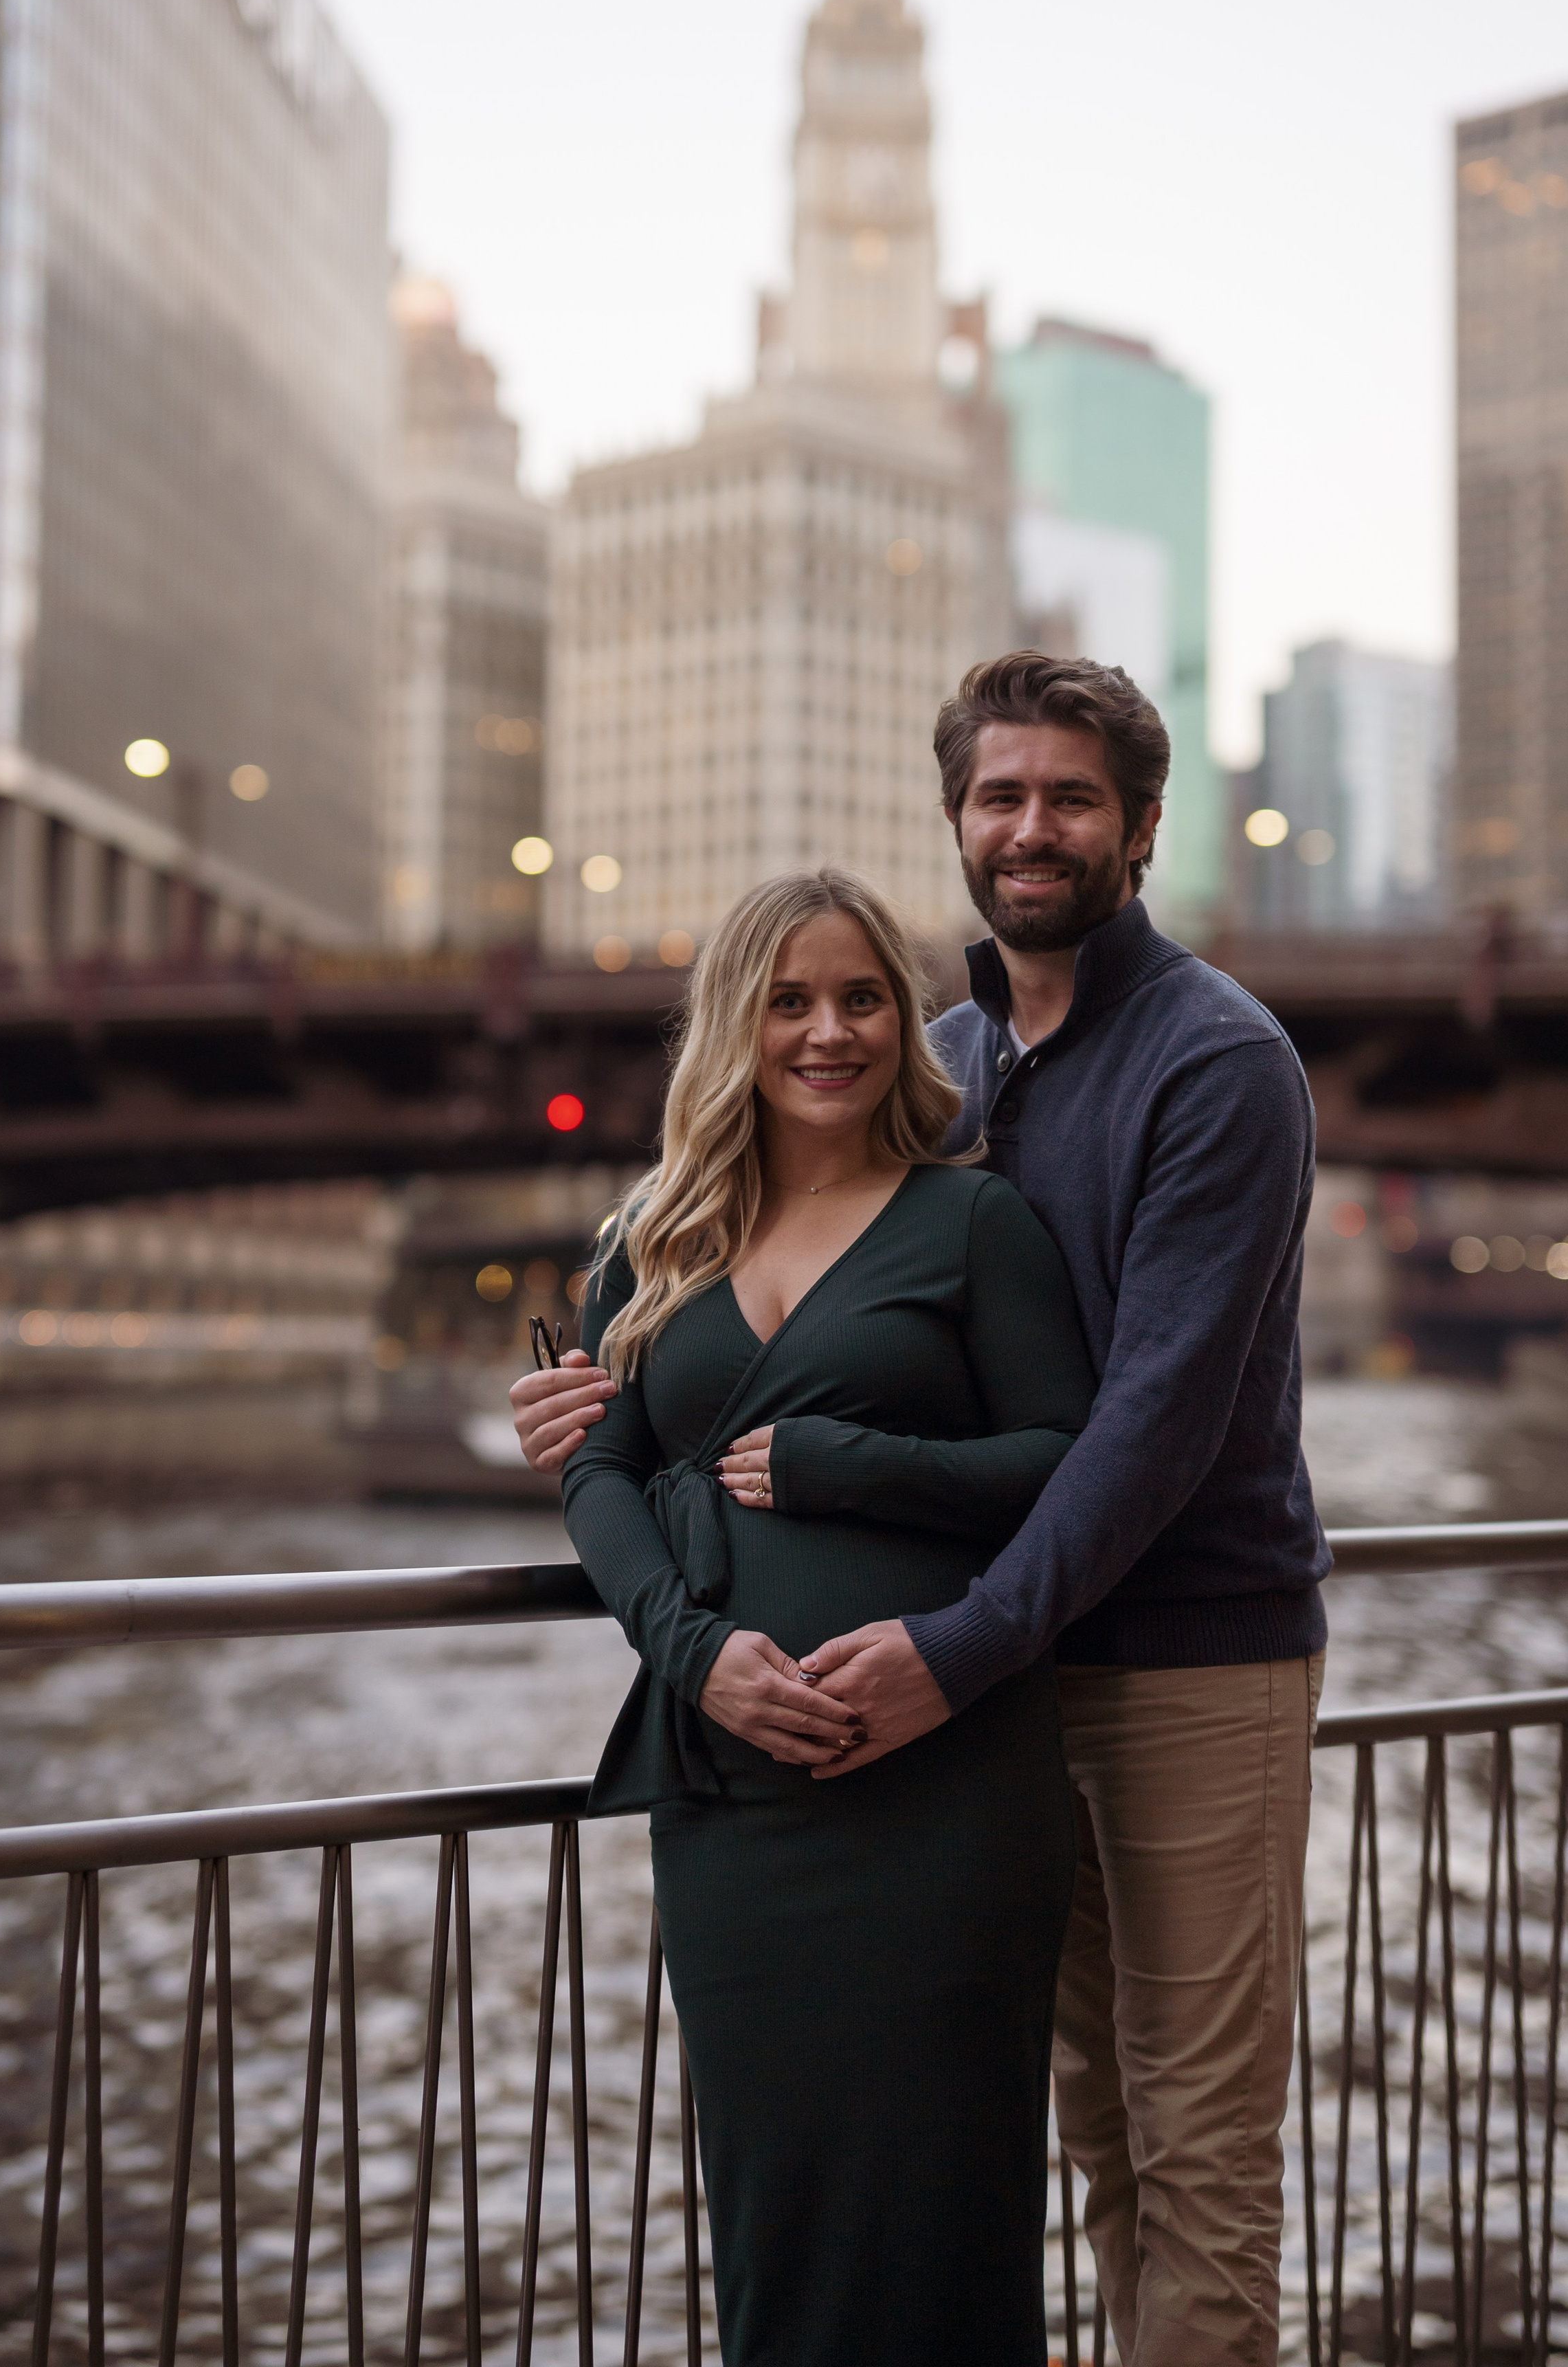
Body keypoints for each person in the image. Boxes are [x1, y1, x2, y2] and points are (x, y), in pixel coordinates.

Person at [515, 654, 1331, 2367]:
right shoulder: (939, 1065)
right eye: (999, 796)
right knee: (1084, 2136)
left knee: (1190, 2155)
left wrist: (949, 1638)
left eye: (1071, 799)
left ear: (1140, 827)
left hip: (1172, 1655)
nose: (1031, 829)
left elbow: (1146, 1422)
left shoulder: (1217, 1061)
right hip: (983, 1703)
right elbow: (711, 1376)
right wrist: (603, 1421)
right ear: (958, 821)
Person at [560, 863, 1095, 2367]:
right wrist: (698, 1654)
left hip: (946, 1792)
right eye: (788, 1000)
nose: (827, 1032)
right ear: (734, 1022)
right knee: (775, 2197)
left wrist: (851, 1462)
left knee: (950, 2197)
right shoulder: (646, 1242)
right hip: (732, 1798)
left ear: (900, 1022)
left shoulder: (970, 1223)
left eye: (861, 997)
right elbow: (598, 1476)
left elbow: (1062, 1467)